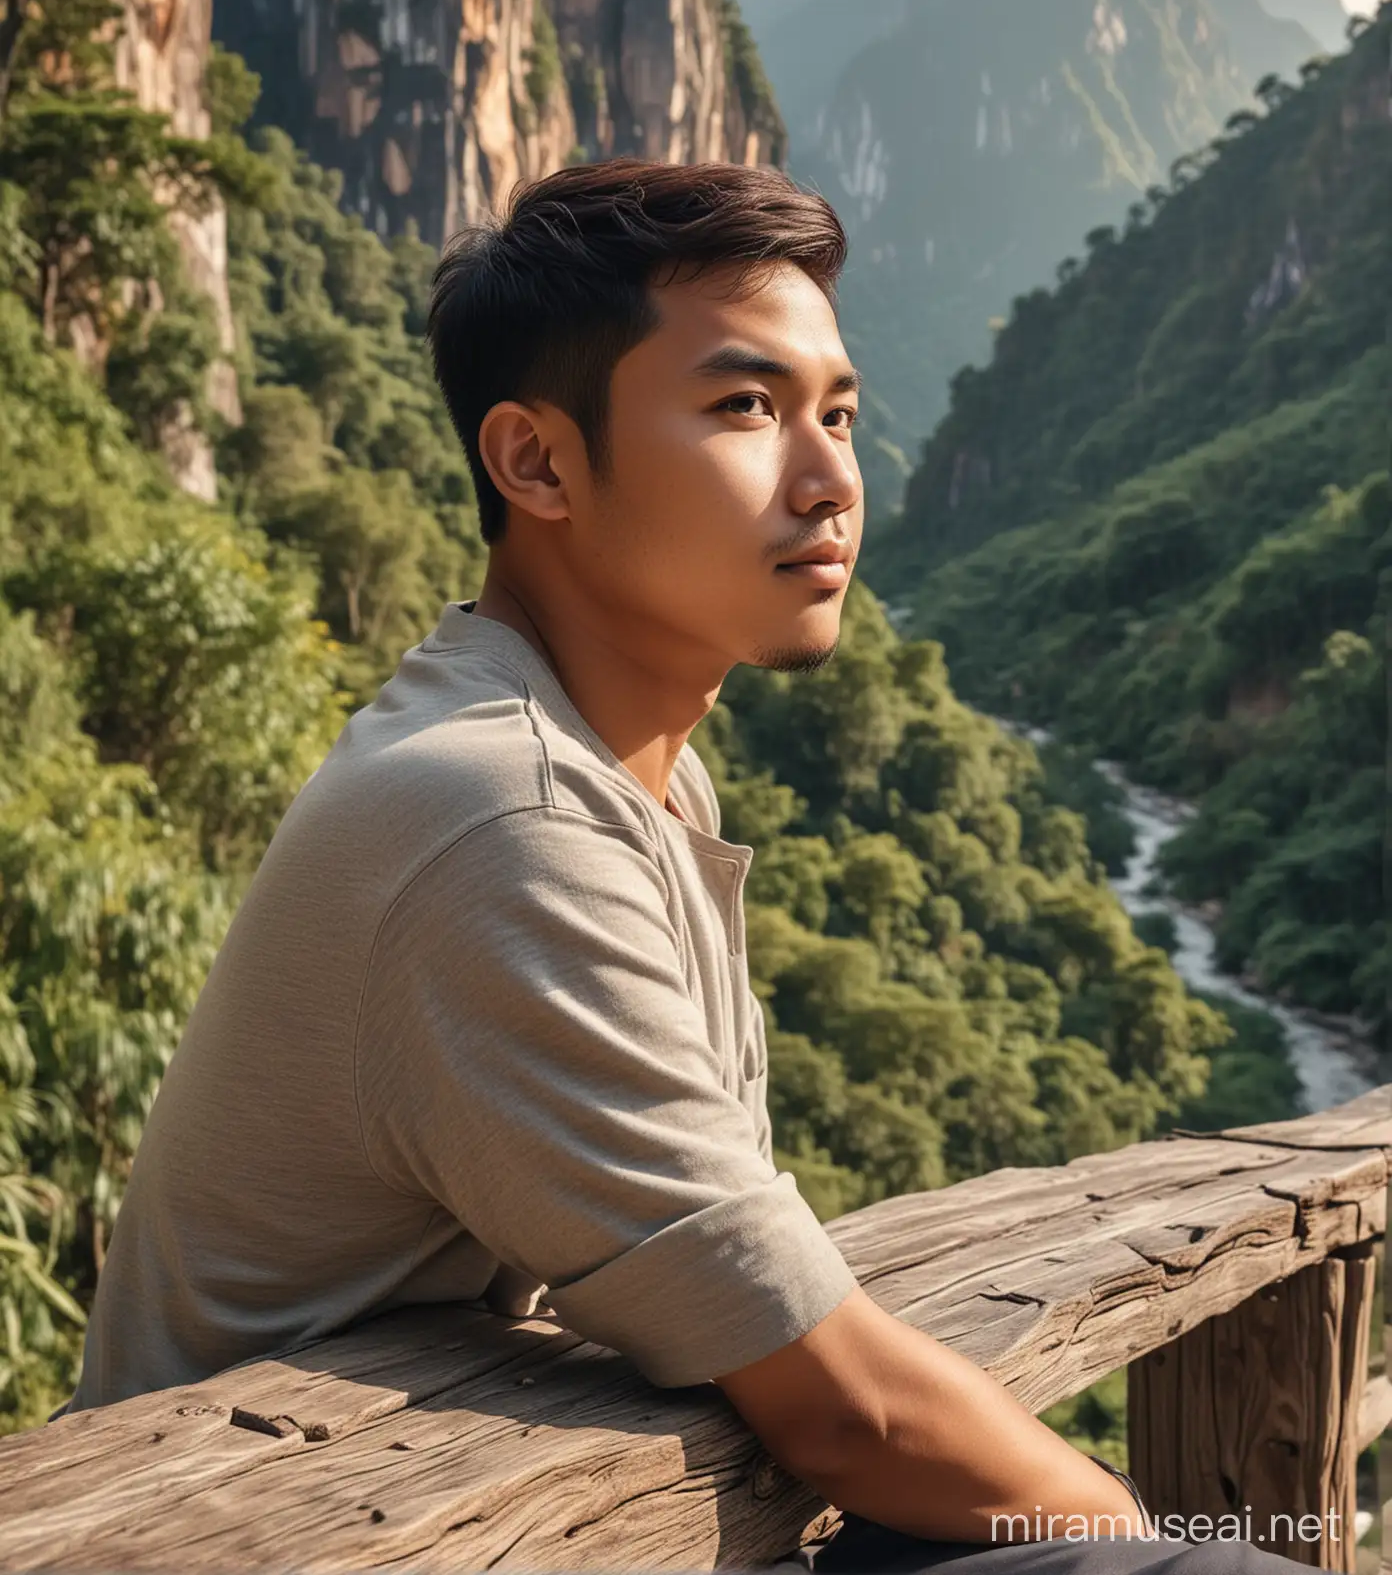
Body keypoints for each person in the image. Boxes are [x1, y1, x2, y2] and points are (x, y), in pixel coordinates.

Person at [52, 161, 1299, 1573]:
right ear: (536, 463)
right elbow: (845, 1417)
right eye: (745, 408)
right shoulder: (501, 821)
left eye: (836, 412)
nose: (831, 479)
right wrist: (1164, 1540)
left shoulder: (621, 769)